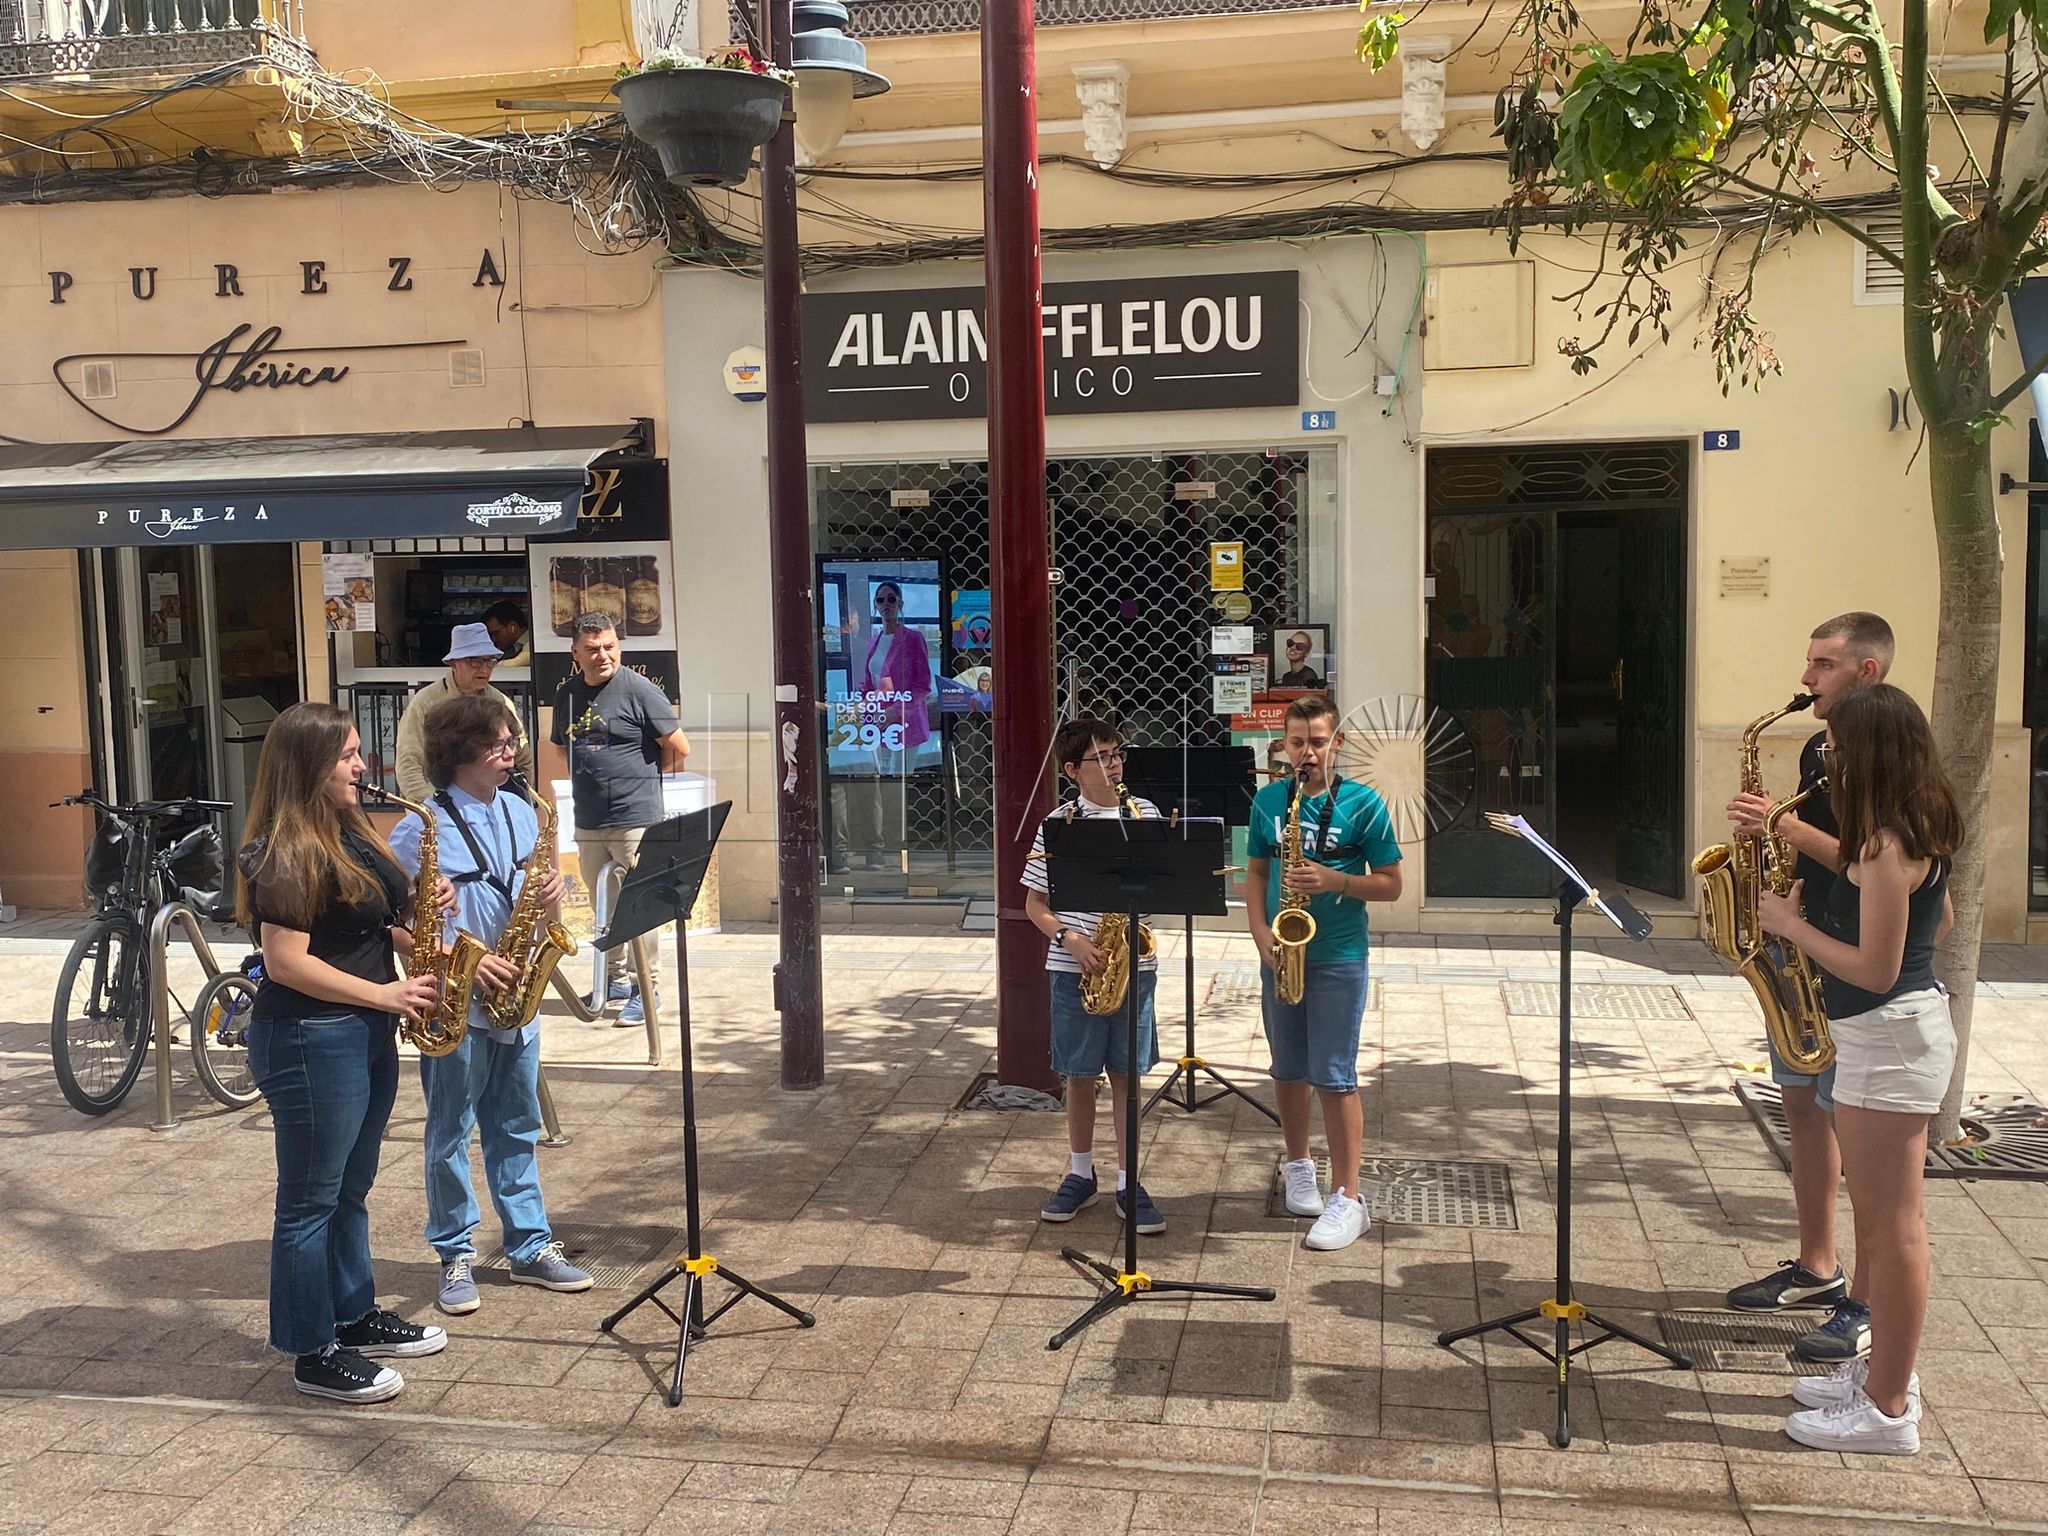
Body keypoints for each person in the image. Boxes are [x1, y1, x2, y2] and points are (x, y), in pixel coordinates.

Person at [1758, 683, 1960, 1455]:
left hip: (1887, 1033)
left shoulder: (1881, 844)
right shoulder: (1909, 829)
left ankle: (1886, 1408)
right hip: (1895, 1032)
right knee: (1881, 1226)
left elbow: (1875, 971)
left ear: (1868, 752)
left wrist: (1790, 926)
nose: (1830, 760)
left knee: (1892, 1228)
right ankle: (1880, 1380)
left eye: (1839, 749)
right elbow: (1934, 922)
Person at [235, 701, 448, 1403]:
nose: (363, 767)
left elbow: (369, 928)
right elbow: (286, 962)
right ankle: (310, 1349)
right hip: (308, 1035)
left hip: (358, 1029)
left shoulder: (350, 833)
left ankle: (353, 1317)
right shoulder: (284, 850)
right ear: (309, 767)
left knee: (349, 1190)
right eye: (349, 756)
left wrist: (425, 918)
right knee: (308, 1203)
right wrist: (385, 996)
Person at [386, 692, 595, 1316]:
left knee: (517, 1124)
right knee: (450, 1131)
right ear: (462, 754)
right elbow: (403, 926)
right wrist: (468, 963)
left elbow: (543, 907)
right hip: (456, 1000)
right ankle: (454, 1251)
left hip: (517, 991)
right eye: (499, 745)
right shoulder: (417, 827)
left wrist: (555, 894)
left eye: (512, 743)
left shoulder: (525, 812)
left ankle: (530, 1245)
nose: (512, 754)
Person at [1723, 611, 1895, 1365]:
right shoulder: (1821, 753)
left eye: (1823, 665)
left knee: (1861, 1141)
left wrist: (1788, 833)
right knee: (1802, 1109)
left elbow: (1879, 863)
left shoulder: (1892, 758)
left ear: (1867, 672)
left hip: (1855, 963)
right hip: (1802, 958)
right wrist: (1764, 845)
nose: (1805, 679)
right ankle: (1819, 1267)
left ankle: (1867, 1302)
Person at [1246, 694, 1402, 1252]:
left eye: (1317, 741)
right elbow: (1256, 872)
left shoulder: (1364, 803)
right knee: (1287, 1070)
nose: (1306, 752)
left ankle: (1348, 1198)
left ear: (1337, 744)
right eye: (1296, 743)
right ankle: (1298, 1166)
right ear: (1283, 746)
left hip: (1337, 957)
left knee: (1334, 1077)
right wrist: (1261, 933)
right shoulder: (1269, 801)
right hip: (1282, 954)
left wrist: (1335, 881)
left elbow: (1391, 883)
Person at [1023, 719, 1167, 1235]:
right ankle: (1081, 1172)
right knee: (1080, 1075)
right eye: (1100, 758)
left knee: (1127, 1074)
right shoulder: (1056, 825)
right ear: (1071, 771)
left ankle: (1130, 1179)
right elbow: (1034, 905)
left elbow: (1166, 885)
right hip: (1073, 965)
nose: (1113, 765)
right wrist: (1070, 939)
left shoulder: (1143, 814)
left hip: (1134, 968)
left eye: (1116, 754)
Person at [551, 613, 690, 1023]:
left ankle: (648, 987)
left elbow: (679, 748)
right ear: (575, 652)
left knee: (640, 905)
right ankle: (613, 980)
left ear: (619, 647)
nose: (602, 656)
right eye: (592, 649)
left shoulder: (640, 690)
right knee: (602, 906)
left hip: (635, 817)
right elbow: (563, 747)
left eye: (609, 646)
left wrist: (637, 777)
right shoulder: (567, 694)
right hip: (589, 818)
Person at [841, 581, 935, 871]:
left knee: (898, 785)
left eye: (891, 599)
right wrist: (855, 705)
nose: (885, 604)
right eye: (880, 599)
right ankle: (883, 846)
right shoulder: (873, 641)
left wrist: (899, 710)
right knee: (880, 784)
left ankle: (901, 846)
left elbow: (923, 685)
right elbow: (867, 683)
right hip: (876, 724)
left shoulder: (913, 638)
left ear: (901, 603)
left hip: (904, 724)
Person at [395, 623, 535, 803]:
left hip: (486, 809)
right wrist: (432, 806)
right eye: (475, 661)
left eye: (490, 660)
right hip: (437, 807)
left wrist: (523, 802)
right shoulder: (425, 702)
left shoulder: (499, 701)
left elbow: (522, 758)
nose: (484, 669)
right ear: (453, 663)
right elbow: (408, 763)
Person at [484, 600, 532, 667]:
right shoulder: (507, 648)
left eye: (495, 633)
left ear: (512, 626)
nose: (493, 639)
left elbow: (517, 663)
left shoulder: (534, 643)